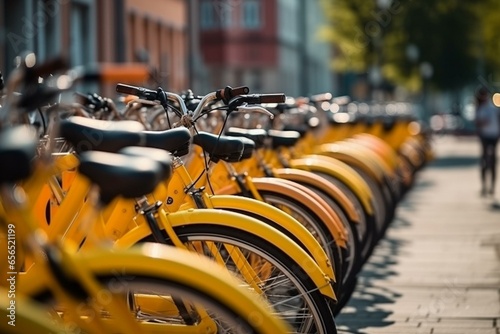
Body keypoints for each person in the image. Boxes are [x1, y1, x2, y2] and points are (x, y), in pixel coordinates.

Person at [475, 87, 500, 196]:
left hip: (494, 135)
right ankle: (484, 186)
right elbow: (477, 122)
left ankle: (492, 187)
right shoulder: (480, 108)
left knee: (493, 160)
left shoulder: (494, 106)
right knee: (484, 160)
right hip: (485, 136)